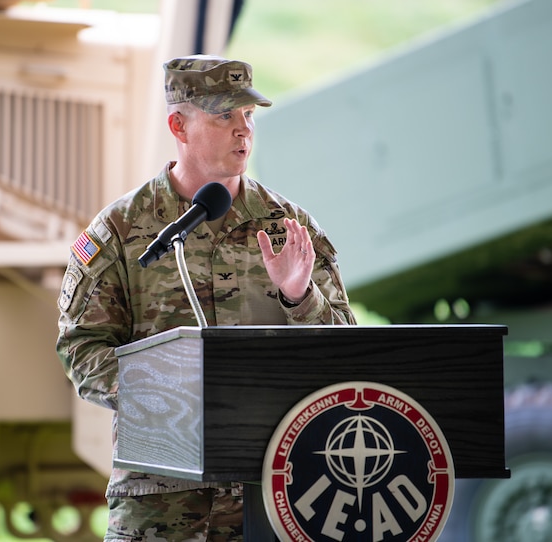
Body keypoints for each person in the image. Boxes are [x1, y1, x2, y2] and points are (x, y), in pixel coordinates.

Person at [56, 54, 355, 542]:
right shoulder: (121, 229)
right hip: (160, 505)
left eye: (249, 115)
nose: (244, 130)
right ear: (179, 125)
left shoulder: (290, 227)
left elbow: (346, 354)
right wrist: (171, 395)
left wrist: (299, 296)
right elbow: (82, 349)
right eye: (224, 115)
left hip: (273, 497)